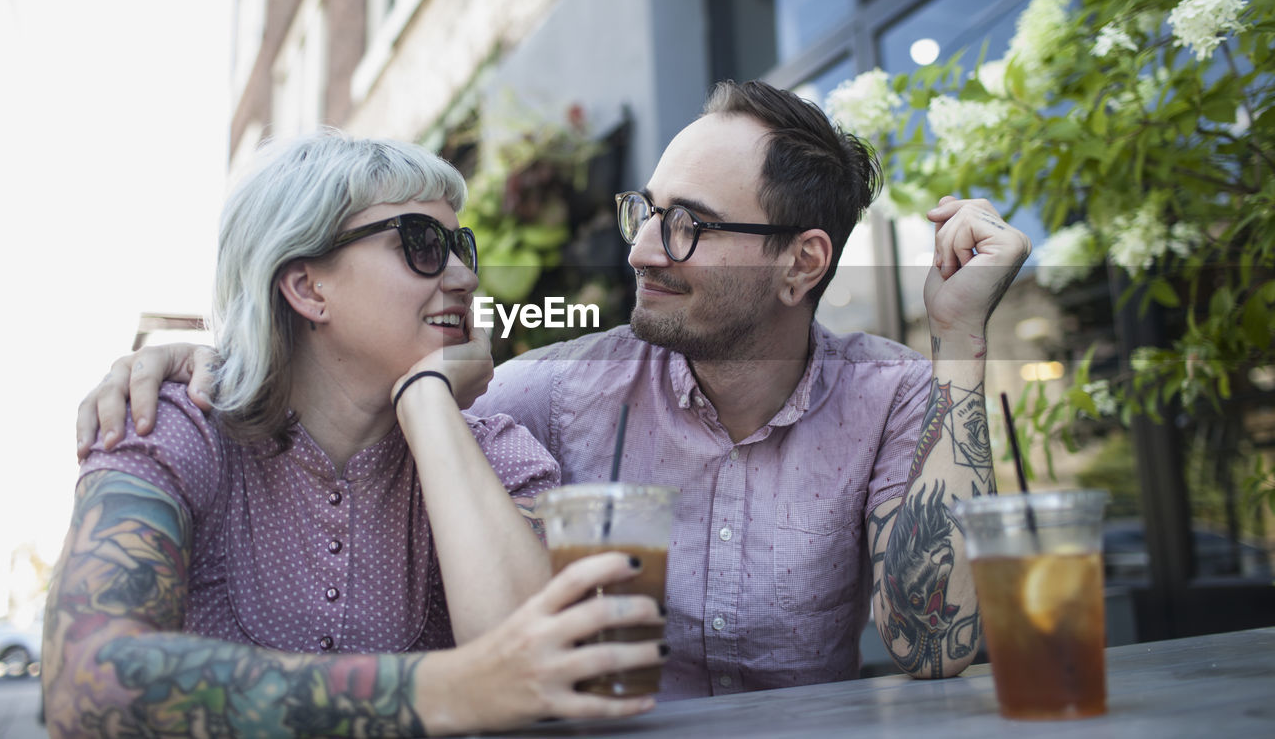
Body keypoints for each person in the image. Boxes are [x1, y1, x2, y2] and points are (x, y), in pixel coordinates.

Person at [77, 80, 1031, 700]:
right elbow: (346, 381)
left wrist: (959, 341)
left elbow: (936, 645)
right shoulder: (551, 393)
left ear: (802, 263)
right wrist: (219, 349)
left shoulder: (896, 391)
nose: (643, 248)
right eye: (646, 213)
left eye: (688, 224)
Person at [46, 133, 666, 737]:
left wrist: (426, 402)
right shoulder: (174, 427)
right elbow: (86, 682)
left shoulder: (493, 453)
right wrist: (455, 689)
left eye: (461, 247)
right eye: (422, 245)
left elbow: (547, 680)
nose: (464, 278)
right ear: (308, 287)